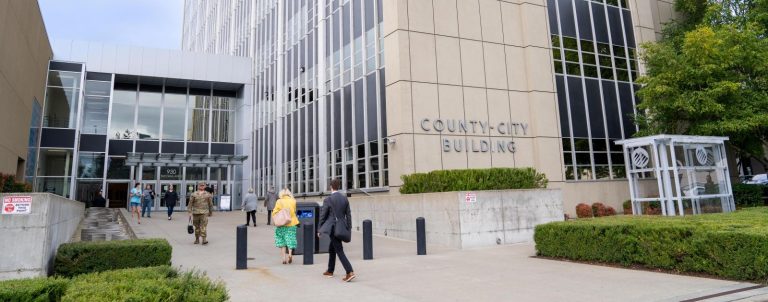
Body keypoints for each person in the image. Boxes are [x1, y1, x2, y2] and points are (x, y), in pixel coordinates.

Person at [319, 179, 355, 282]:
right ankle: (330, 270)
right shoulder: (344, 199)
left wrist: (319, 229)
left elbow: (323, 216)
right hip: (342, 227)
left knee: (339, 250)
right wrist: (349, 228)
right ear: (338, 187)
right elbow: (348, 215)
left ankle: (350, 271)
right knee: (332, 248)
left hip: (333, 228)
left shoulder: (328, 200)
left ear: (331, 187)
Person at [271, 188, 299, 264]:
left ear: (281, 194)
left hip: (282, 223)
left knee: (282, 240)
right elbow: (294, 211)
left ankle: (283, 259)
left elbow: (274, 212)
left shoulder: (279, 201)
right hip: (292, 223)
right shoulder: (293, 201)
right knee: (290, 239)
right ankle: (290, 254)